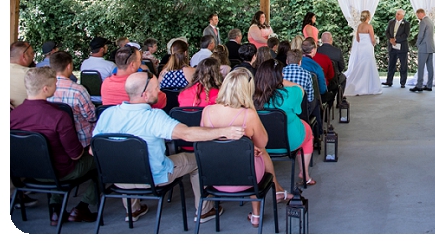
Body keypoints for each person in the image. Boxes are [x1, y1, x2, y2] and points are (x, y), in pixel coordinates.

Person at [93, 72, 245, 224]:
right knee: (199, 161)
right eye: (157, 88)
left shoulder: (107, 114)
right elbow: (187, 134)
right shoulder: (154, 117)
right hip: (152, 177)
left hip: (117, 179)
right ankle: (205, 210)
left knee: (124, 161)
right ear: (145, 94)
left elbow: (93, 150)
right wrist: (224, 131)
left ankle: (133, 210)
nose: (160, 92)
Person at [201, 67, 290, 226]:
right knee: (260, 151)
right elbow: (263, 142)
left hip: (214, 178)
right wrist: (248, 147)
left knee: (250, 152)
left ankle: (276, 192)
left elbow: (205, 141)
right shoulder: (248, 114)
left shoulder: (207, 111)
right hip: (247, 180)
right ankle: (257, 213)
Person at [11, 67, 98, 225]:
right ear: (46, 89)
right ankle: (82, 207)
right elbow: (75, 155)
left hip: (25, 172)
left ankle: (56, 210)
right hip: (61, 172)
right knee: (101, 162)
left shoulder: (12, 116)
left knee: (52, 162)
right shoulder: (58, 116)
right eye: (54, 85)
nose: (56, 87)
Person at [253, 60, 315, 189]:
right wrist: (282, 82)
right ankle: (305, 173)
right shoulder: (290, 93)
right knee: (308, 130)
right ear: (279, 76)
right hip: (289, 142)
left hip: (260, 145)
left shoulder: (252, 97)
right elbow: (301, 89)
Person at [47, 51, 96, 147]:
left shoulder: (45, 89)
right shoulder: (78, 90)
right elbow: (91, 116)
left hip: (54, 138)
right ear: (69, 66)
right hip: (81, 140)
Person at [101, 45, 167, 109]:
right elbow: (161, 102)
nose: (141, 63)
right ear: (133, 64)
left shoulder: (105, 82)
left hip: (113, 119)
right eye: (139, 60)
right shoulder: (140, 83)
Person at [344, 11, 382, 96]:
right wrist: (374, 43)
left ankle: (359, 82)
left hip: (361, 47)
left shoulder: (359, 26)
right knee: (368, 63)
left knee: (361, 63)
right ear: (368, 17)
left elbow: (357, 39)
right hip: (367, 47)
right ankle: (368, 85)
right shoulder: (369, 26)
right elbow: (372, 39)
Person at [384, 9, 410, 88]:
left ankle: (402, 82)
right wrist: (390, 39)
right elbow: (387, 32)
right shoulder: (391, 22)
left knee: (403, 65)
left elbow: (406, 35)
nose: (397, 15)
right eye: (396, 13)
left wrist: (396, 39)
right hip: (392, 47)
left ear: (402, 15)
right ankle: (389, 81)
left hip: (402, 47)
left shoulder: (406, 24)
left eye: (398, 14)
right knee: (391, 64)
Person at [410, 9, 435, 92]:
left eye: (417, 15)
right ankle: (429, 85)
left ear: (421, 14)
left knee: (421, 66)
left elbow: (421, 34)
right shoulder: (430, 21)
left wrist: (417, 44)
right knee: (430, 67)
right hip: (431, 47)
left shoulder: (423, 22)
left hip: (424, 47)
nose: (417, 17)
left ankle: (419, 85)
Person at [10, 40, 35, 108]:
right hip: (25, 117)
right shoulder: (32, 74)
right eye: (32, 53)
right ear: (24, 56)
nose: (33, 56)